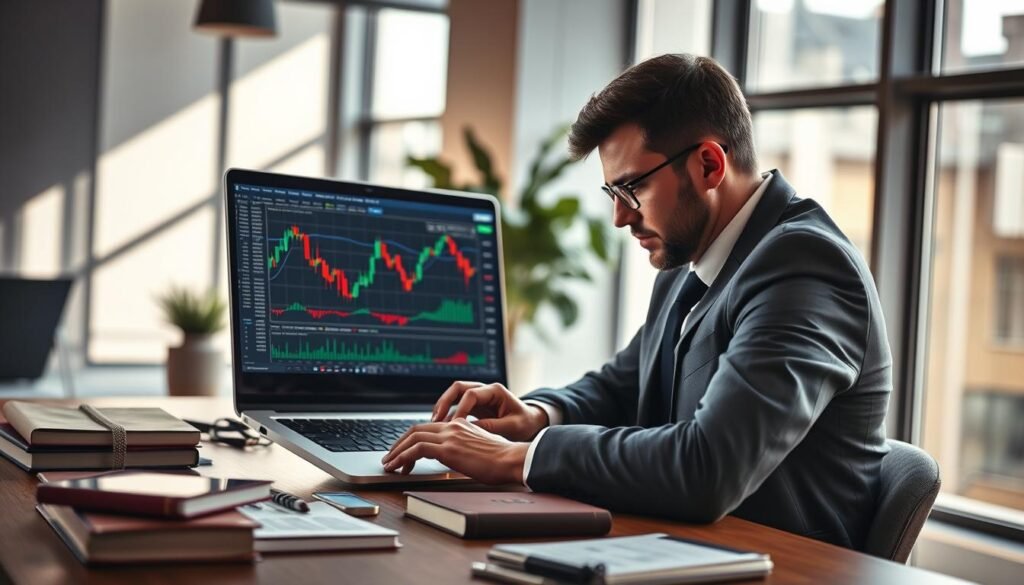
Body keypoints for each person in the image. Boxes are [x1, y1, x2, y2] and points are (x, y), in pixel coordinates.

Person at [382, 53, 891, 550]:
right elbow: (626, 386)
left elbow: (707, 467)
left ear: (709, 164)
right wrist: (539, 416)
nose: (621, 219)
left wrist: (519, 457)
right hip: (679, 549)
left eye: (633, 189)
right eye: (614, 194)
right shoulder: (692, 259)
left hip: (781, 566)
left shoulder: (804, 266)